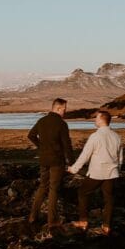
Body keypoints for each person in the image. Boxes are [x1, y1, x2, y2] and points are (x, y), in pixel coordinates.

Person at [67, 109, 123, 235]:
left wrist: (74, 169)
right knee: (109, 199)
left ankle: (83, 221)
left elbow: (85, 155)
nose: (94, 120)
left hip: (97, 172)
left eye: (96, 118)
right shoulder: (117, 136)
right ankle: (106, 226)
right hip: (112, 173)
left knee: (82, 193)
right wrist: (117, 171)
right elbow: (120, 158)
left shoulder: (95, 136)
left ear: (101, 120)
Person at [27, 98, 74, 228]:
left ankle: (33, 216)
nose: (65, 111)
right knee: (53, 189)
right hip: (56, 161)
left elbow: (30, 135)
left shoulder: (42, 120)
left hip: (43, 159)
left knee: (42, 187)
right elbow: (67, 145)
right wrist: (72, 162)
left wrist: (41, 147)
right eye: (64, 109)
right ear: (58, 108)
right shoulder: (61, 124)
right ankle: (51, 221)